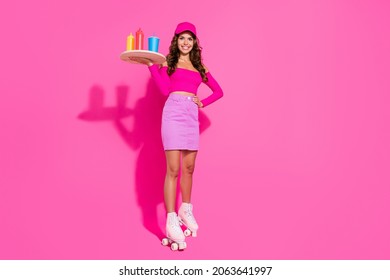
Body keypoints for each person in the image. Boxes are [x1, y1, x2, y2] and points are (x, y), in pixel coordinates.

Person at [134, 22, 223, 250]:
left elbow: (219, 91)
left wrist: (202, 102)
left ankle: (186, 208)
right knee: (173, 169)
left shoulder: (199, 66)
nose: (185, 42)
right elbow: (164, 90)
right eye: (182, 38)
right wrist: (151, 67)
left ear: (194, 42)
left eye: (189, 39)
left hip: (190, 114)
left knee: (190, 167)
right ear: (176, 41)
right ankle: (171, 217)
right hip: (173, 112)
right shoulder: (167, 61)